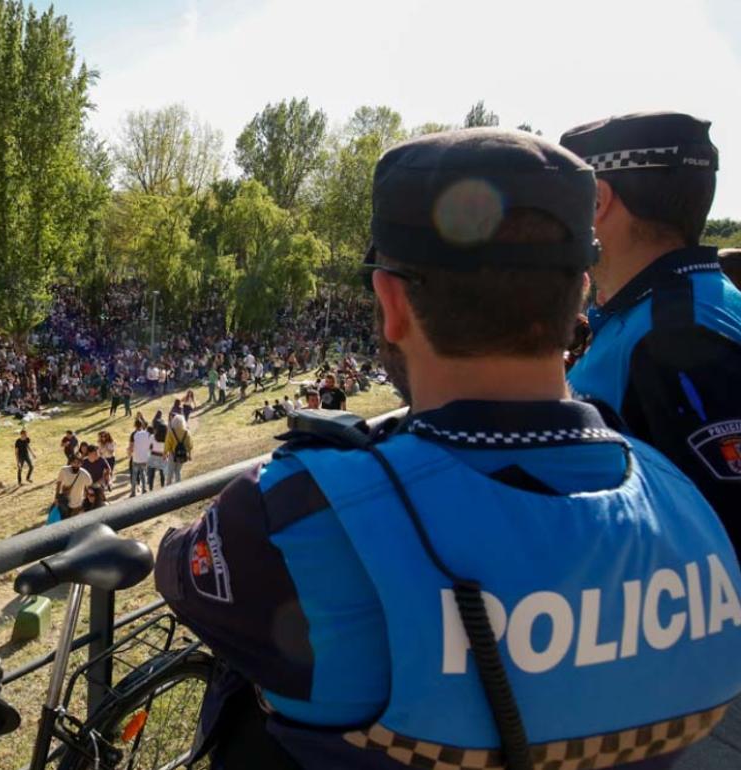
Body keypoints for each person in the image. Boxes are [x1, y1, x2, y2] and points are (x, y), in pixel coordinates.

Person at [154, 128, 741, 769]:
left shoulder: (303, 513)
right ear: (577, 294)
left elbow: (180, 571)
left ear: (392, 302)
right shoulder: (687, 504)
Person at [561, 113, 741, 538]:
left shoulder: (675, 335)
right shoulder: (682, 306)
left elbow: (720, 536)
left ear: (597, 202)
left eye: (558, 203)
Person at [54, 453, 91, 518]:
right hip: (65, 502)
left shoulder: (85, 474)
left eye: (78, 463)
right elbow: (59, 482)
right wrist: (57, 496)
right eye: (74, 462)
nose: (76, 464)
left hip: (77, 504)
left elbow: (89, 487)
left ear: (81, 463)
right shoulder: (64, 470)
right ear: (70, 462)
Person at [162, 413, 192, 485]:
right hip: (183, 454)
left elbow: (167, 444)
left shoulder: (171, 432)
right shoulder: (187, 432)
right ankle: (178, 487)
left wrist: (165, 453)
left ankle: (168, 487)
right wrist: (189, 454)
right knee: (178, 471)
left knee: (170, 472)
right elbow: (190, 445)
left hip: (173, 454)